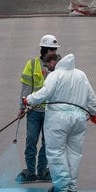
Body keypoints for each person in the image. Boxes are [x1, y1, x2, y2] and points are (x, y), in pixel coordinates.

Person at [26, 52, 96, 192]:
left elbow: (44, 93)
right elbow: (91, 96)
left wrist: (28, 100)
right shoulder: (81, 75)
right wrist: (94, 113)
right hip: (79, 118)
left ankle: (61, 188)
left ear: (53, 62)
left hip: (58, 119)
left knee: (56, 152)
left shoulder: (55, 75)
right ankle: (72, 187)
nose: (47, 69)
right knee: (74, 152)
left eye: (47, 66)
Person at [16, 34, 59, 183]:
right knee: (31, 140)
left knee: (48, 143)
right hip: (34, 111)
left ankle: (42, 171)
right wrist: (22, 107)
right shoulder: (32, 64)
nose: (53, 52)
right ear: (44, 50)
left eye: (54, 49)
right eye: (51, 49)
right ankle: (30, 171)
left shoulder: (58, 66)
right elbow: (26, 87)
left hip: (50, 112)